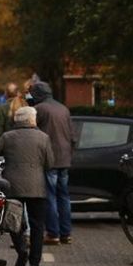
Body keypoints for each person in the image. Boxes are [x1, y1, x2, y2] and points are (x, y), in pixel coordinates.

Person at [0, 106, 54, 266]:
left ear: (17, 120)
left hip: (12, 186)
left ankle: (21, 250)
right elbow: (50, 163)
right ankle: (34, 264)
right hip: (37, 188)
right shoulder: (43, 138)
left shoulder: (8, 137)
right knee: (37, 225)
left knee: (13, 221)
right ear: (31, 120)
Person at [29, 81, 77, 244]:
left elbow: (31, 133)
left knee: (49, 196)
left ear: (37, 94)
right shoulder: (63, 108)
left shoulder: (39, 109)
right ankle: (66, 233)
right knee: (63, 196)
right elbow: (72, 136)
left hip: (49, 160)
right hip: (64, 159)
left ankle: (53, 233)